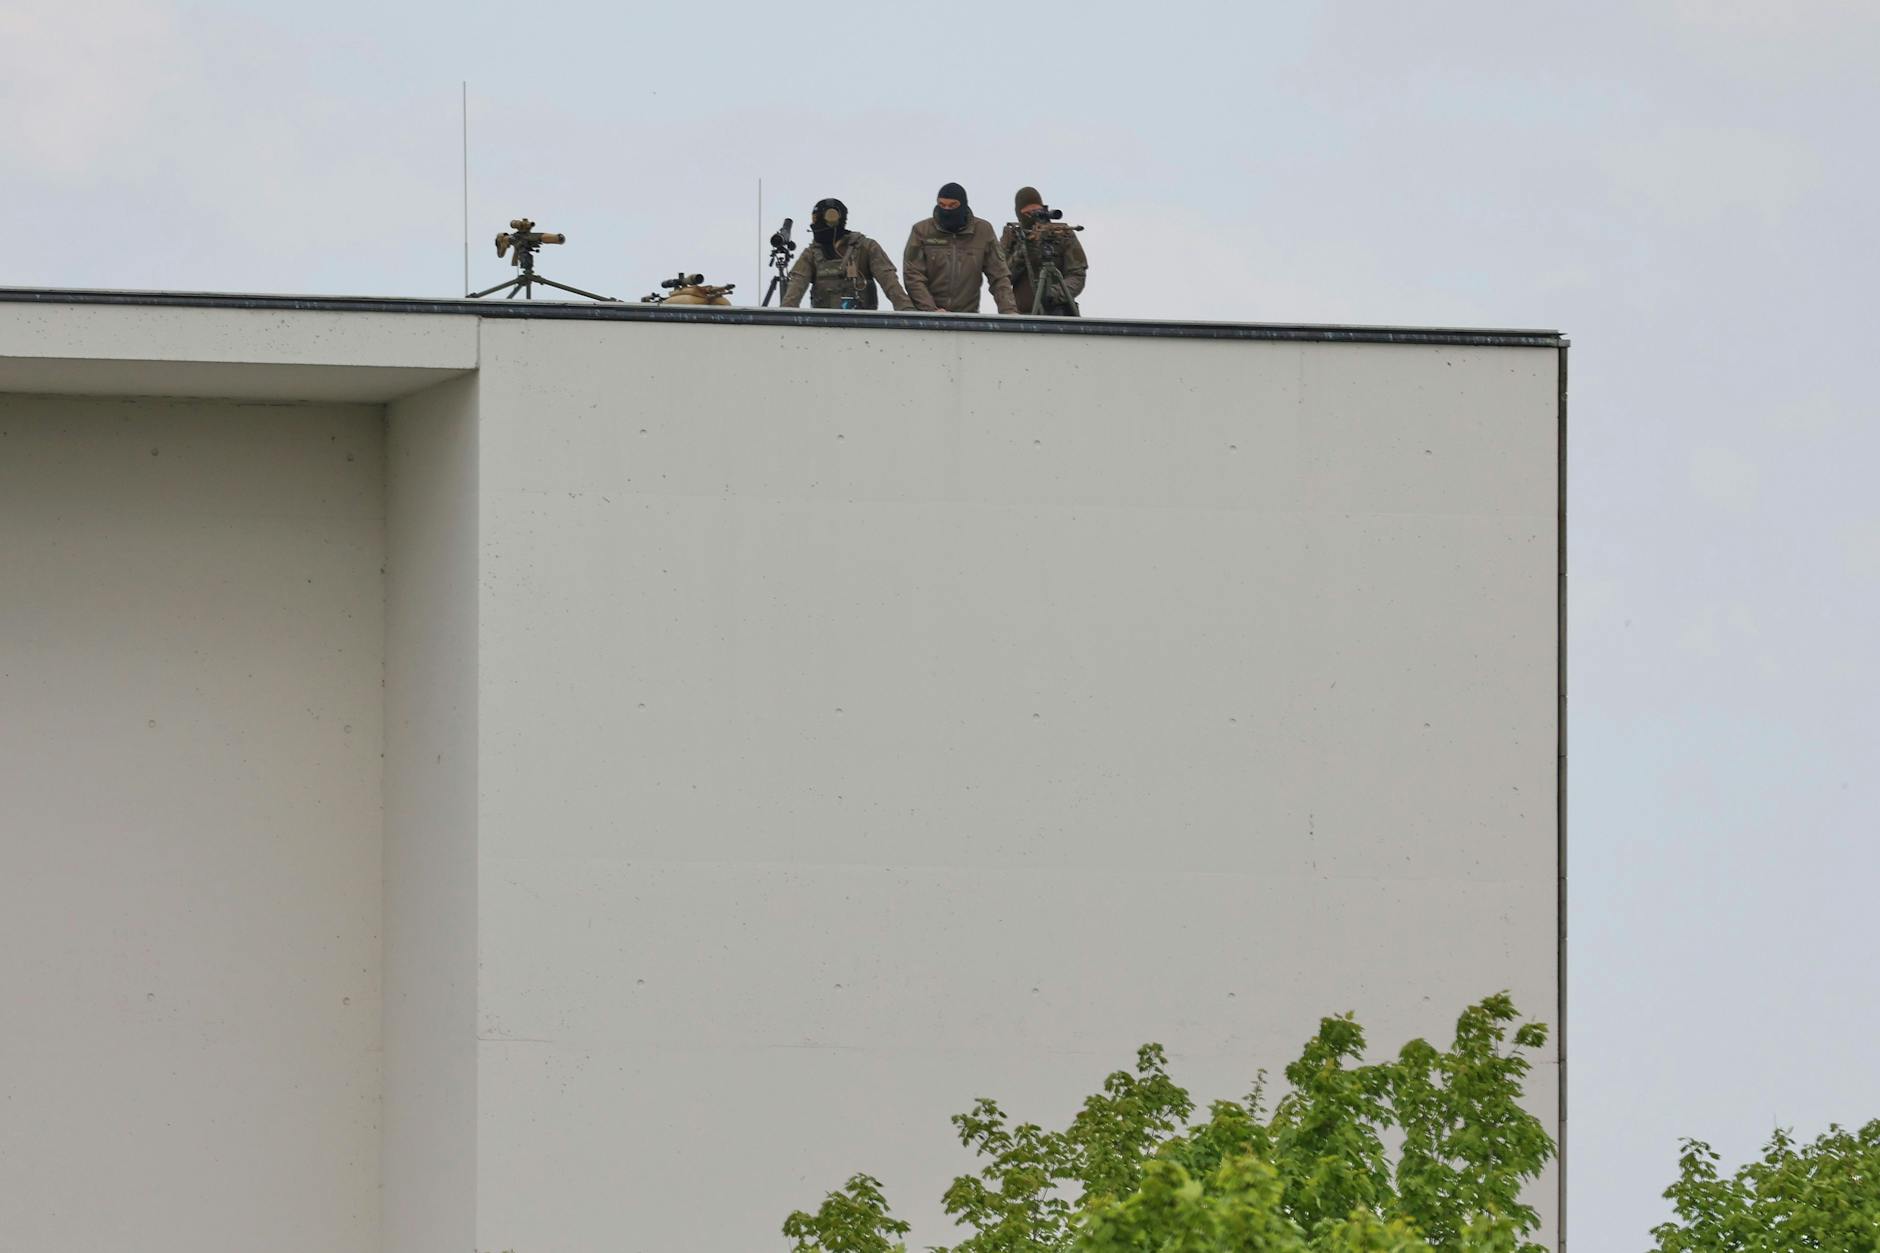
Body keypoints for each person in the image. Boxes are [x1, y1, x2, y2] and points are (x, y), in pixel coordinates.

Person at [902, 182, 1017, 314]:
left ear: (963, 205)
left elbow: (999, 276)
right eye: (942, 205)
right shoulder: (921, 231)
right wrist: (931, 310)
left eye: (952, 206)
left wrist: (1009, 312)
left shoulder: (983, 231)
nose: (947, 210)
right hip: (927, 316)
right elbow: (913, 275)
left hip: (967, 317)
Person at [783, 198, 914, 311]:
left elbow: (889, 282)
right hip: (824, 327)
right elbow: (796, 286)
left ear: (831, 218)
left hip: (863, 325)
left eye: (816, 219)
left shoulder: (866, 247)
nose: (813, 224)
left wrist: (907, 312)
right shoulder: (811, 254)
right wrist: (784, 316)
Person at [1000, 186, 1088, 317]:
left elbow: (1077, 275)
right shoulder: (1012, 237)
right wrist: (1024, 250)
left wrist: (1054, 294)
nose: (1033, 217)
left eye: (1037, 211)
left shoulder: (1062, 234)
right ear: (1019, 214)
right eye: (1028, 213)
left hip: (1060, 315)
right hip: (1023, 316)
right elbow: (1003, 277)